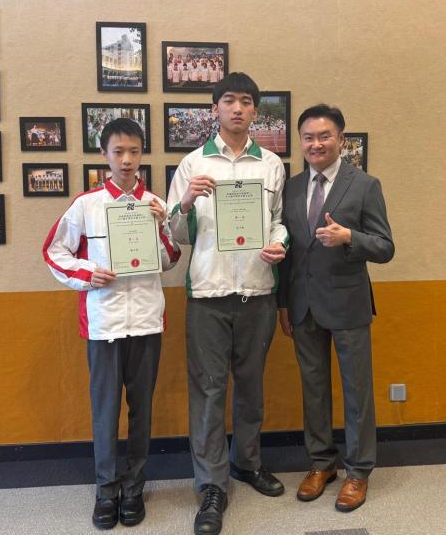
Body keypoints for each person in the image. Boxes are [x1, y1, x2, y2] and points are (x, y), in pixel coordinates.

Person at [43, 118, 181, 530]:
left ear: (142, 154)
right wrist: (89, 273)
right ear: (104, 154)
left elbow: (171, 259)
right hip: (104, 323)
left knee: (141, 409)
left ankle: (134, 487)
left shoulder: (154, 203)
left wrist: (162, 223)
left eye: (134, 151)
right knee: (105, 410)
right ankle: (106, 489)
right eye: (118, 151)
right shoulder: (86, 205)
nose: (126, 160)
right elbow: (54, 252)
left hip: (146, 322)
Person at [166, 72, 288, 535]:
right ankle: (211, 485)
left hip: (257, 291)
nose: (238, 109)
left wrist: (279, 243)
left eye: (246, 102)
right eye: (230, 101)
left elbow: (278, 221)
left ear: (256, 110)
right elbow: (175, 235)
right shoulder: (192, 164)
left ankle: (247, 462)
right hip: (208, 295)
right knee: (210, 391)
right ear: (214, 108)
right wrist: (186, 202)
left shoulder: (271, 165)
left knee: (251, 386)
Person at [278, 103, 395, 513]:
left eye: (324, 136)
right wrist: (283, 304)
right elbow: (288, 252)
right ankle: (321, 463)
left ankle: (358, 471)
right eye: (308, 137)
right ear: (301, 142)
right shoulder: (291, 187)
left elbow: (385, 247)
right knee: (313, 389)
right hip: (303, 305)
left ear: (340, 140)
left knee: (357, 390)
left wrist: (349, 237)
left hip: (348, 304)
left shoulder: (364, 185)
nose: (316, 144)